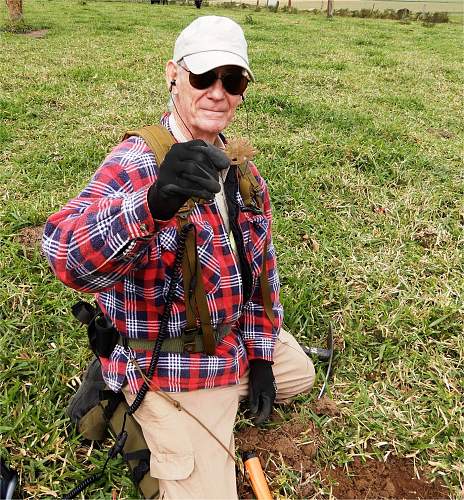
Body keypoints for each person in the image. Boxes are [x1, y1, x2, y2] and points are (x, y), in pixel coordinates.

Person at [42, 15, 315, 499]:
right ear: (173, 75)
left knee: (298, 372)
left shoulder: (243, 172)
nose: (217, 92)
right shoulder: (137, 161)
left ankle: (216, 400)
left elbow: (261, 276)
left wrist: (262, 356)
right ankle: (130, 397)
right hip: (169, 359)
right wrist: (152, 204)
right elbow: (63, 252)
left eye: (231, 81)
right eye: (203, 77)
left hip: (223, 339)